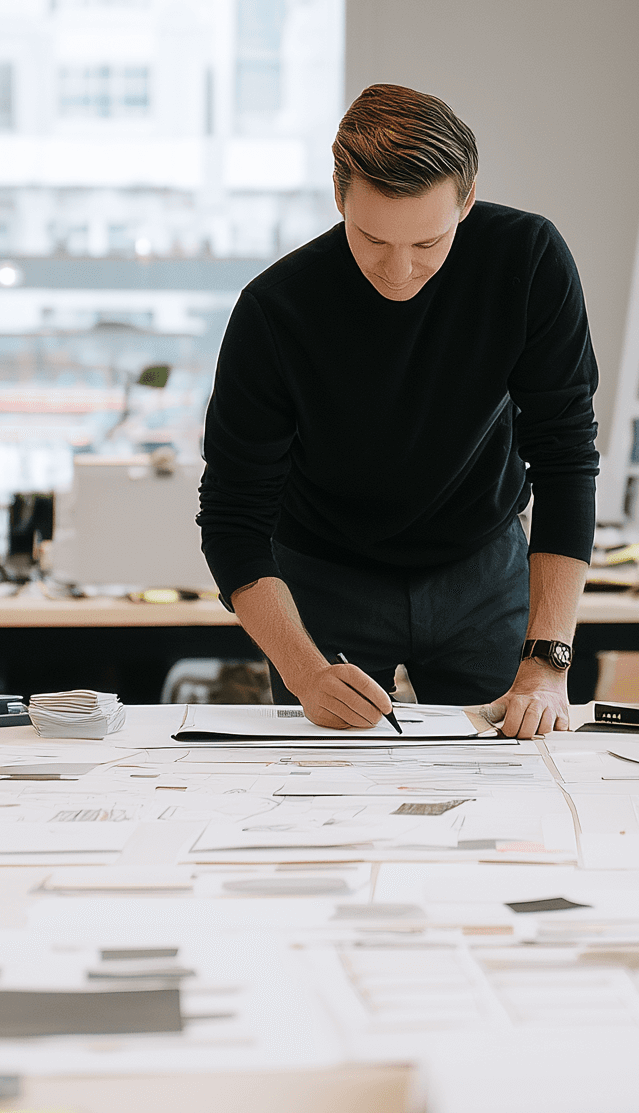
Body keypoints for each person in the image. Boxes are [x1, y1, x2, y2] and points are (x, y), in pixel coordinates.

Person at [200, 84, 601, 737]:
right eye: (372, 239)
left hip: (482, 567)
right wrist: (304, 673)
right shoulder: (275, 312)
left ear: (466, 202)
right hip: (325, 575)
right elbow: (232, 519)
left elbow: (565, 458)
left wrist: (548, 661)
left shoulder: (526, 260)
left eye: (428, 243)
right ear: (339, 198)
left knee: (511, 780)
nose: (398, 271)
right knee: (327, 791)